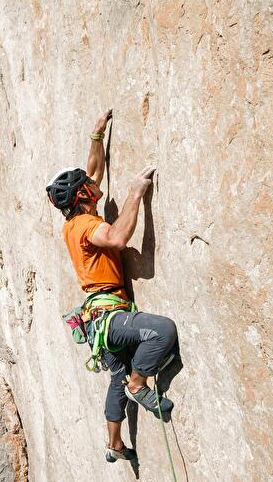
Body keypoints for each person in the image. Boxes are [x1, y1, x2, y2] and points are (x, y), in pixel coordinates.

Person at [46, 108, 180, 463]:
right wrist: (137, 194)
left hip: (95, 323)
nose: (95, 183)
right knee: (161, 332)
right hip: (110, 317)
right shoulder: (87, 228)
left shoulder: (75, 219)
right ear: (82, 196)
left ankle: (114, 444)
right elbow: (119, 238)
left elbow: (93, 169)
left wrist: (97, 134)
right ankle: (140, 384)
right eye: (88, 185)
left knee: (115, 375)